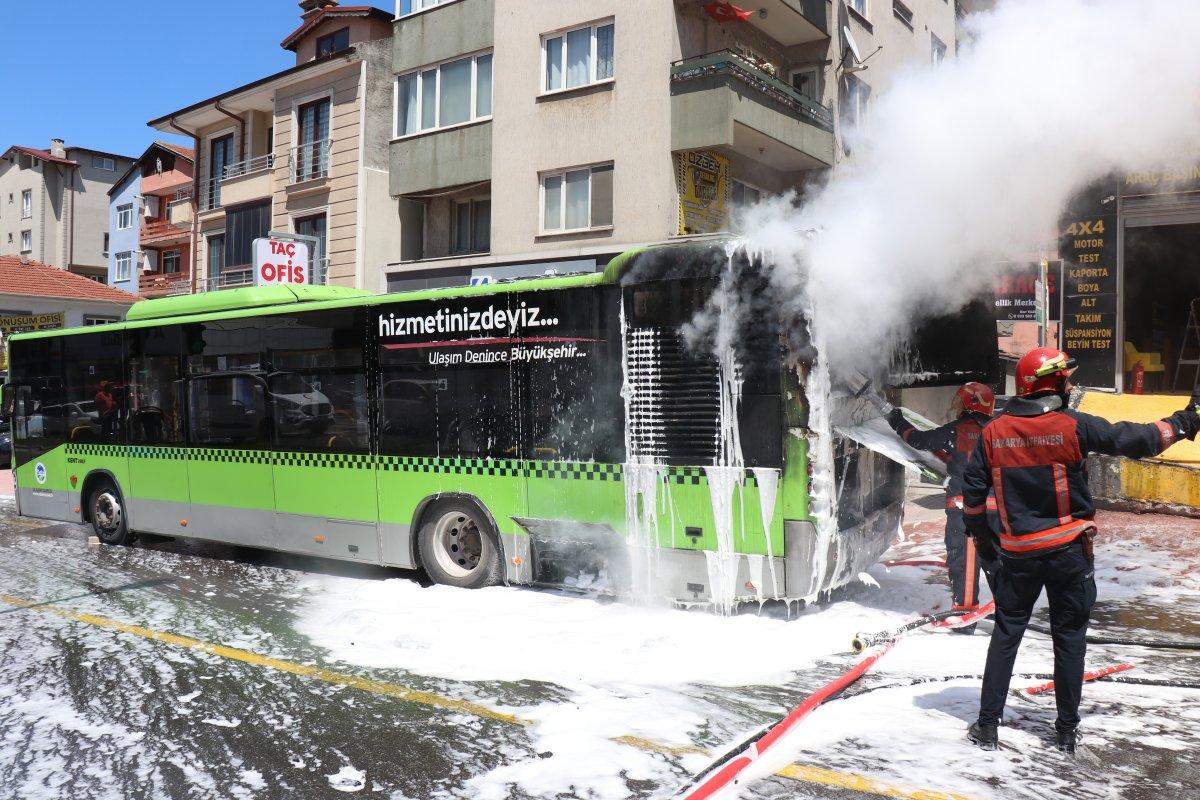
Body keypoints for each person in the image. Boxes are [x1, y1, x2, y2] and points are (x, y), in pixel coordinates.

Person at [961, 347, 1200, 753]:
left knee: (1006, 634)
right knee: (1069, 638)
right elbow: (1138, 440)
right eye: (1065, 379)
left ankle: (987, 727)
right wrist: (1186, 420)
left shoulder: (992, 433)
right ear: (1050, 384)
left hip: (1017, 556)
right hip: (1069, 554)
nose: (1070, 385)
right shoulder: (1073, 427)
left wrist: (986, 545)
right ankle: (1066, 731)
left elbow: (972, 498)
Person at [888, 382, 997, 628]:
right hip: (997, 511)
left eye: (959, 402)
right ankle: (1009, 616)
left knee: (965, 563)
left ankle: (964, 619)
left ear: (971, 404)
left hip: (966, 510)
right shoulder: (997, 429)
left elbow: (917, 439)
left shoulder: (957, 430)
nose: (955, 407)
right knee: (995, 562)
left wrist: (896, 421)